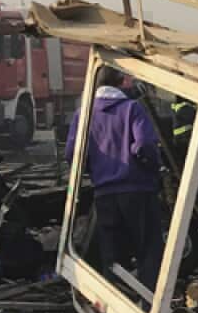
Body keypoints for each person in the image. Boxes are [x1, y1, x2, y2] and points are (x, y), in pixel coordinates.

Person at [65, 67, 165, 293]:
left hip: (104, 194)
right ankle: (148, 306)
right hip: (138, 190)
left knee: (112, 254)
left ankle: (116, 308)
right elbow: (144, 145)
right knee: (148, 250)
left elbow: (72, 153)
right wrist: (151, 167)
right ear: (121, 82)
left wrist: (95, 170)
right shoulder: (132, 109)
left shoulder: (83, 114)